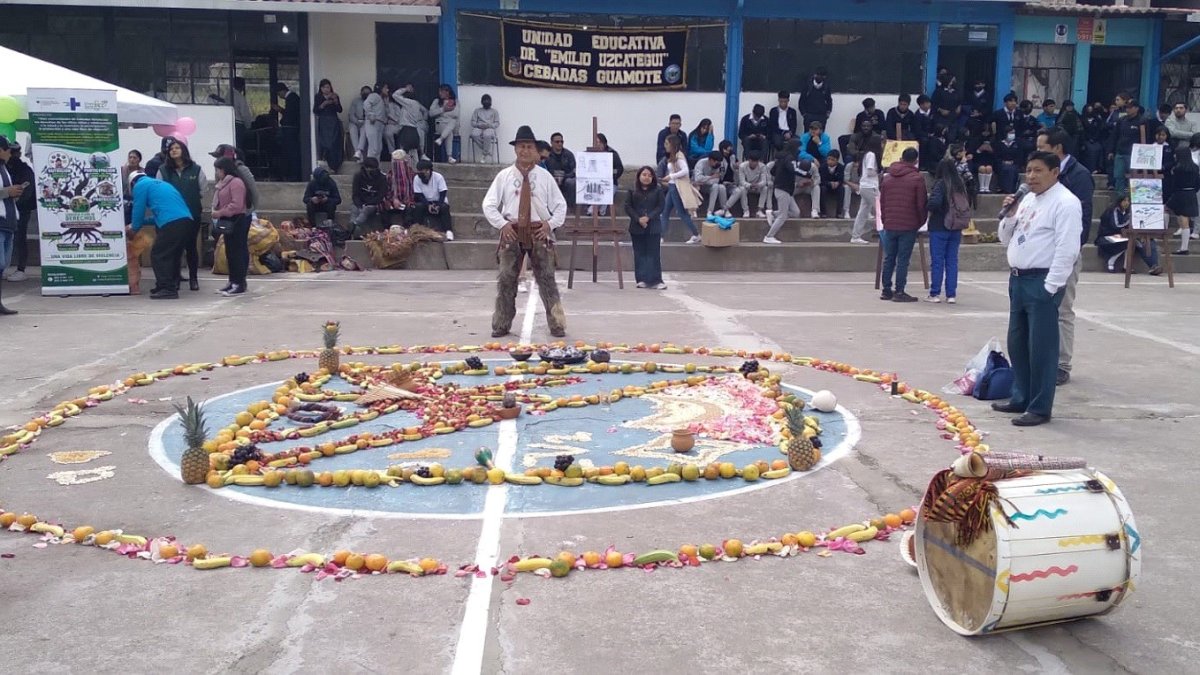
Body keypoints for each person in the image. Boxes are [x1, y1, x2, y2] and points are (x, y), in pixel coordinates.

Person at [993, 152, 1082, 426]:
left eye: (1038, 171)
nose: (1031, 176)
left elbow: (1068, 249)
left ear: (1055, 172)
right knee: (1017, 342)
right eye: (1028, 170)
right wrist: (1008, 214)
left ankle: (1040, 406)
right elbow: (1005, 237)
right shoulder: (1028, 199)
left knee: (1041, 347)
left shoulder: (1066, 203)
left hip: (1042, 281)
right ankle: (1021, 396)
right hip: (1018, 280)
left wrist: (1051, 286)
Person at [482, 124, 568, 338]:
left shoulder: (545, 177)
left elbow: (561, 205)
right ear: (515, 149)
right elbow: (489, 204)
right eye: (521, 146)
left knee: (546, 277)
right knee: (506, 278)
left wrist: (549, 225)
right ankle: (501, 323)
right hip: (512, 230)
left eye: (529, 146)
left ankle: (557, 323)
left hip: (539, 230)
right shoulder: (504, 176)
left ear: (536, 151)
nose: (525, 151)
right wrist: (502, 225)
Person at [128, 171, 194, 300]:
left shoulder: (140, 185)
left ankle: (167, 288)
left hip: (172, 223)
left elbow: (138, 209)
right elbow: (162, 213)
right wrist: (142, 222)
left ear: (132, 182)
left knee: (159, 254)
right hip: (186, 220)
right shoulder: (161, 184)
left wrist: (133, 228)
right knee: (173, 255)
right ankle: (167, 285)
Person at [878, 147, 927, 302]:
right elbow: (921, 204)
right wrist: (921, 221)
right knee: (903, 259)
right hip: (908, 223)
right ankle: (900, 291)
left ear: (901, 158)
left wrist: (885, 219)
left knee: (889, 257)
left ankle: (886, 289)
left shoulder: (887, 177)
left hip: (890, 222)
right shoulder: (917, 178)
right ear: (916, 160)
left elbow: (882, 201)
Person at [156, 140, 206, 292]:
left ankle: (193, 278)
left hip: (192, 214)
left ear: (184, 150)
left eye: (177, 147)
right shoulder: (163, 170)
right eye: (171, 148)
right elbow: (159, 191)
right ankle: (175, 278)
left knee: (191, 246)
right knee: (174, 249)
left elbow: (203, 190)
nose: (174, 150)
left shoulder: (196, 169)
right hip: (171, 217)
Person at [926, 158, 966, 304]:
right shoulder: (960, 184)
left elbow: (934, 203)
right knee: (952, 261)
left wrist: (928, 206)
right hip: (956, 226)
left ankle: (935, 293)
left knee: (937, 260)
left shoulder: (941, 184)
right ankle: (951, 294)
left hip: (939, 225)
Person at [211, 157, 250, 297]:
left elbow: (237, 204)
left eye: (218, 170)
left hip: (237, 219)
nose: (217, 173)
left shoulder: (236, 182)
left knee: (237, 252)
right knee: (230, 252)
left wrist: (220, 212)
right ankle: (232, 281)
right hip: (227, 219)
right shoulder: (222, 183)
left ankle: (239, 282)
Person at [625, 166, 666, 289]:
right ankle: (641, 279)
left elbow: (660, 206)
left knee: (653, 253)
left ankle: (656, 280)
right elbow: (628, 206)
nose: (646, 177)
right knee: (640, 253)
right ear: (639, 176)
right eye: (644, 174)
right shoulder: (632, 190)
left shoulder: (658, 190)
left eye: (649, 175)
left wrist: (649, 217)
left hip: (653, 226)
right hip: (636, 227)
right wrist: (638, 219)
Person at [1095, 196, 1159, 272]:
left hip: (1122, 236)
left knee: (1141, 241)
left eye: (1128, 201)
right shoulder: (1113, 210)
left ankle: (1149, 265)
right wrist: (1129, 221)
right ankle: (1112, 261)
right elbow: (1116, 225)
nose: (1127, 203)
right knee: (1130, 241)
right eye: (1124, 201)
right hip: (1106, 237)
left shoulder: (1127, 212)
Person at [3, 140, 35, 284]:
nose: (12, 155)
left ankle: (20, 269)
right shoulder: (4, 168)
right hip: (6, 212)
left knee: (19, 239)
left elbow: (27, 192)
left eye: (14, 152)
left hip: (20, 211)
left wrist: (15, 201)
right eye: (10, 151)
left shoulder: (24, 169)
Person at [659, 135, 701, 243]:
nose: (665, 146)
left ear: (672, 144)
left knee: (681, 213)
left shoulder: (679, 156)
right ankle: (661, 236)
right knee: (665, 212)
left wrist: (671, 176)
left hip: (676, 187)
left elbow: (685, 170)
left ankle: (696, 234)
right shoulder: (674, 156)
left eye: (667, 144)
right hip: (673, 186)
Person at [0, 135, 25, 313]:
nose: (10, 152)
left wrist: (14, 193)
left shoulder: (4, 169)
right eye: (7, 149)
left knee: (3, 265)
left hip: (8, 222)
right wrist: (7, 192)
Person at [1110, 100, 1148, 197]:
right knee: (1118, 176)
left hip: (1133, 154)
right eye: (1127, 107)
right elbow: (1115, 136)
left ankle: (1134, 198)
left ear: (1136, 108)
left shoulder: (1141, 121)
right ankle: (1120, 198)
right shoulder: (1122, 120)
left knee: (1134, 177)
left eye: (1130, 107)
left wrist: (1142, 153)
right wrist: (1111, 150)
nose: (1128, 109)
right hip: (1120, 152)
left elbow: (1143, 139)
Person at [849, 135, 883, 244]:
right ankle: (885, 233)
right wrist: (880, 172)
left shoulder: (867, 154)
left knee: (863, 212)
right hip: (870, 186)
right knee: (881, 209)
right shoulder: (871, 155)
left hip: (866, 186)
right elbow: (870, 172)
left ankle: (855, 236)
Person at [207, 144, 260, 214]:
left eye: (219, 157)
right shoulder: (219, 170)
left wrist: (250, 211)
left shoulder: (241, 169)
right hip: (223, 213)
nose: (217, 160)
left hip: (240, 214)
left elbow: (254, 191)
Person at [1169, 146, 1200, 255]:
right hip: (1191, 193)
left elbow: (1174, 184)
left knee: (1183, 220)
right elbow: (1198, 184)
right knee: (1184, 220)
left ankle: (1184, 248)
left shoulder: (1177, 169)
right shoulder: (1195, 168)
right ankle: (1184, 247)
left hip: (1180, 193)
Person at [349, 157, 391, 236]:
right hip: (360, 201)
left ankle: (354, 225)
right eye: (369, 168)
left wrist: (368, 203)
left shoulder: (382, 178)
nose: (371, 170)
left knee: (366, 210)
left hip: (374, 203)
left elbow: (381, 196)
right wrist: (359, 204)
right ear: (365, 168)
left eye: (373, 168)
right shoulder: (358, 176)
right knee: (354, 209)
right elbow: (355, 194)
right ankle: (353, 227)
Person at [764, 149, 798, 244]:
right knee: (783, 216)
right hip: (782, 190)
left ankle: (773, 213)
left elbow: (773, 172)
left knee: (795, 212)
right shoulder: (788, 160)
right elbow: (792, 170)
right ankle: (769, 236)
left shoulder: (781, 161)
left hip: (788, 191)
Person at [412, 159, 452, 236]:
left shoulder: (438, 177)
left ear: (428, 171)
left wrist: (438, 205)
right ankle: (417, 230)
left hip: (438, 201)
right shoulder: (417, 178)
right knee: (418, 207)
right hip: (425, 202)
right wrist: (428, 205)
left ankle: (448, 231)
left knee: (444, 207)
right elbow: (419, 195)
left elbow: (443, 193)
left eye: (422, 172)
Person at [272, 82, 302, 181]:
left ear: (282, 91)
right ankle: (291, 173)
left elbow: (290, 115)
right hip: (291, 129)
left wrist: (281, 112)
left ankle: (294, 174)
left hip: (291, 130)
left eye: (278, 94)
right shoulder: (293, 98)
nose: (279, 96)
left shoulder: (292, 98)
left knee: (292, 152)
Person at [313, 79, 344, 173]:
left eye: (328, 87)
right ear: (321, 88)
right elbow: (315, 111)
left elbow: (339, 110)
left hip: (333, 121)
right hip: (324, 121)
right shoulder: (318, 97)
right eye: (324, 87)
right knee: (326, 143)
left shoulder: (334, 95)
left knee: (335, 143)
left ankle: (335, 165)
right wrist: (323, 104)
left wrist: (335, 101)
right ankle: (327, 161)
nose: (326, 89)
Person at [593, 133, 625, 217]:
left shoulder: (613, 154)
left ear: (604, 143)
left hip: (611, 183)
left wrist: (610, 176)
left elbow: (620, 169)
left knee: (607, 193)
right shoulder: (591, 154)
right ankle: (592, 210)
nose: (597, 145)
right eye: (595, 143)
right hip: (594, 183)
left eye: (599, 143)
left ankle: (601, 212)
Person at [730, 150, 769, 218]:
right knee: (742, 189)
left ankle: (759, 210)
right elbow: (742, 181)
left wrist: (758, 185)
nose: (754, 163)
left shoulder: (762, 166)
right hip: (747, 186)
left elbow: (764, 181)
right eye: (752, 161)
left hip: (757, 186)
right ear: (749, 160)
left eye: (756, 161)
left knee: (765, 188)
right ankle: (746, 210)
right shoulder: (742, 166)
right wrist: (749, 185)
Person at [384, 149, 416, 230]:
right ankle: (387, 229)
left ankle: (407, 229)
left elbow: (413, 190)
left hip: (408, 200)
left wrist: (408, 199)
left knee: (410, 208)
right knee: (383, 206)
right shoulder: (389, 175)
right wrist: (393, 199)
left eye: (400, 161)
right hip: (393, 201)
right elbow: (387, 190)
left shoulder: (411, 173)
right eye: (395, 161)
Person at [544, 132, 577, 209]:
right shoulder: (547, 154)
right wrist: (553, 177)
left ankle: (570, 207)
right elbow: (543, 169)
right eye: (557, 142)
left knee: (572, 182)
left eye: (561, 142)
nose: (560, 144)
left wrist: (564, 177)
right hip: (551, 179)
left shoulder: (569, 155)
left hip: (566, 180)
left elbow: (574, 170)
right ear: (551, 143)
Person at [429, 84, 459, 164]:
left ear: (447, 92)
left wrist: (443, 114)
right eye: (439, 91)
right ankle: (449, 157)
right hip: (440, 124)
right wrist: (443, 109)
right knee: (450, 129)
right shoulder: (436, 101)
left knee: (452, 124)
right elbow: (431, 113)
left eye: (441, 91)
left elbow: (456, 114)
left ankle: (441, 139)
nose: (440, 93)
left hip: (449, 124)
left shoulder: (454, 101)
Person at [693, 151, 728, 217]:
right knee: (714, 186)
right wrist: (711, 177)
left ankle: (713, 211)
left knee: (719, 187)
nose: (718, 164)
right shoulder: (701, 163)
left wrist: (706, 180)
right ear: (711, 160)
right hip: (698, 186)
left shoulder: (719, 166)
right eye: (716, 162)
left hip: (709, 186)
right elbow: (698, 178)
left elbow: (717, 180)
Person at [818, 149, 850, 218]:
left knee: (842, 189)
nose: (830, 161)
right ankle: (823, 212)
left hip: (837, 186)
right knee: (822, 189)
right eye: (829, 159)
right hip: (826, 186)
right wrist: (829, 183)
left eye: (832, 160)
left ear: (837, 160)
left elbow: (841, 179)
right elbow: (822, 180)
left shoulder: (841, 167)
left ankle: (839, 213)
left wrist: (837, 183)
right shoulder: (823, 167)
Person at [470, 94, 500, 162]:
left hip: (489, 128)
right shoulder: (477, 110)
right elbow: (472, 122)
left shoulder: (494, 111)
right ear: (482, 102)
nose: (486, 102)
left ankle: (484, 154)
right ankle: (486, 150)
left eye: (488, 101)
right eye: (485, 101)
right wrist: (479, 125)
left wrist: (489, 125)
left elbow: (497, 123)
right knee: (474, 134)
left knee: (487, 135)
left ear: (490, 102)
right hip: (479, 127)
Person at [362, 84, 386, 162]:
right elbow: (366, 103)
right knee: (373, 148)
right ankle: (370, 169)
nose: (387, 90)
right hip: (373, 123)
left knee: (378, 148)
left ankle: (376, 168)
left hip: (379, 124)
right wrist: (371, 114)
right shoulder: (375, 95)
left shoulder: (381, 98)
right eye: (386, 88)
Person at [995, 128, 1023, 194]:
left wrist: (1013, 162)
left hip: (1014, 163)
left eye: (1013, 133)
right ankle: (1002, 187)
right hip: (1001, 163)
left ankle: (1010, 189)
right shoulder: (999, 144)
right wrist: (1003, 162)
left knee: (1011, 169)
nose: (1012, 135)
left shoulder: (1017, 144)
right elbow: (996, 156)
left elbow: (1020, 156)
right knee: (1005, 169)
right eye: (1011, 133)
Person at [932, 74, 961, 139]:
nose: (953, 83)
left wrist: (959, 107)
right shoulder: (938, 91)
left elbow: (959, 101)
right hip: (941, 117)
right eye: (951, 81)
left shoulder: (956, 91)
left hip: (953, 116)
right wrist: (940, 110)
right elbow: (933, 104)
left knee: (952, 135)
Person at [347, 85, 371, 162]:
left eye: (368, 92)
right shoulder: (356, 101)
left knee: (364, 129)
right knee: (352, 128)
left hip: (366, 122)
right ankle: (358, 152)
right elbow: (351, 114)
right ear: (361, 93)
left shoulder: (372, 102)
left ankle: (358, 151)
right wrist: (357, 122)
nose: (366, 94)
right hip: (356, 121)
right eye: (364, 92)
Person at [231, 77, 253, 148]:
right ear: (243, 86)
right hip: (239, 125)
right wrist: (248, 126)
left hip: (229, 123)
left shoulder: (228, 95)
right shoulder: (240, 97)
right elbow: (245, 114)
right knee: (239, 146)